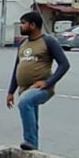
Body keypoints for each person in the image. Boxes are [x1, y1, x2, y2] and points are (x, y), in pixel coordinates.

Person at [6, 11, 70, 150]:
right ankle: (34, 149)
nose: (21, 26)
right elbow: (17, 67)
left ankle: (30, 142)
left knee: (25, 102)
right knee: (31, 117)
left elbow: (64, 64)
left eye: (23, 23)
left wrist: (48, 83)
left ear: (33, 25)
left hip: (42, 88)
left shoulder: (48, 41)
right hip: (24, 89)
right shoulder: (23, 43)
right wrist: (11, 91)